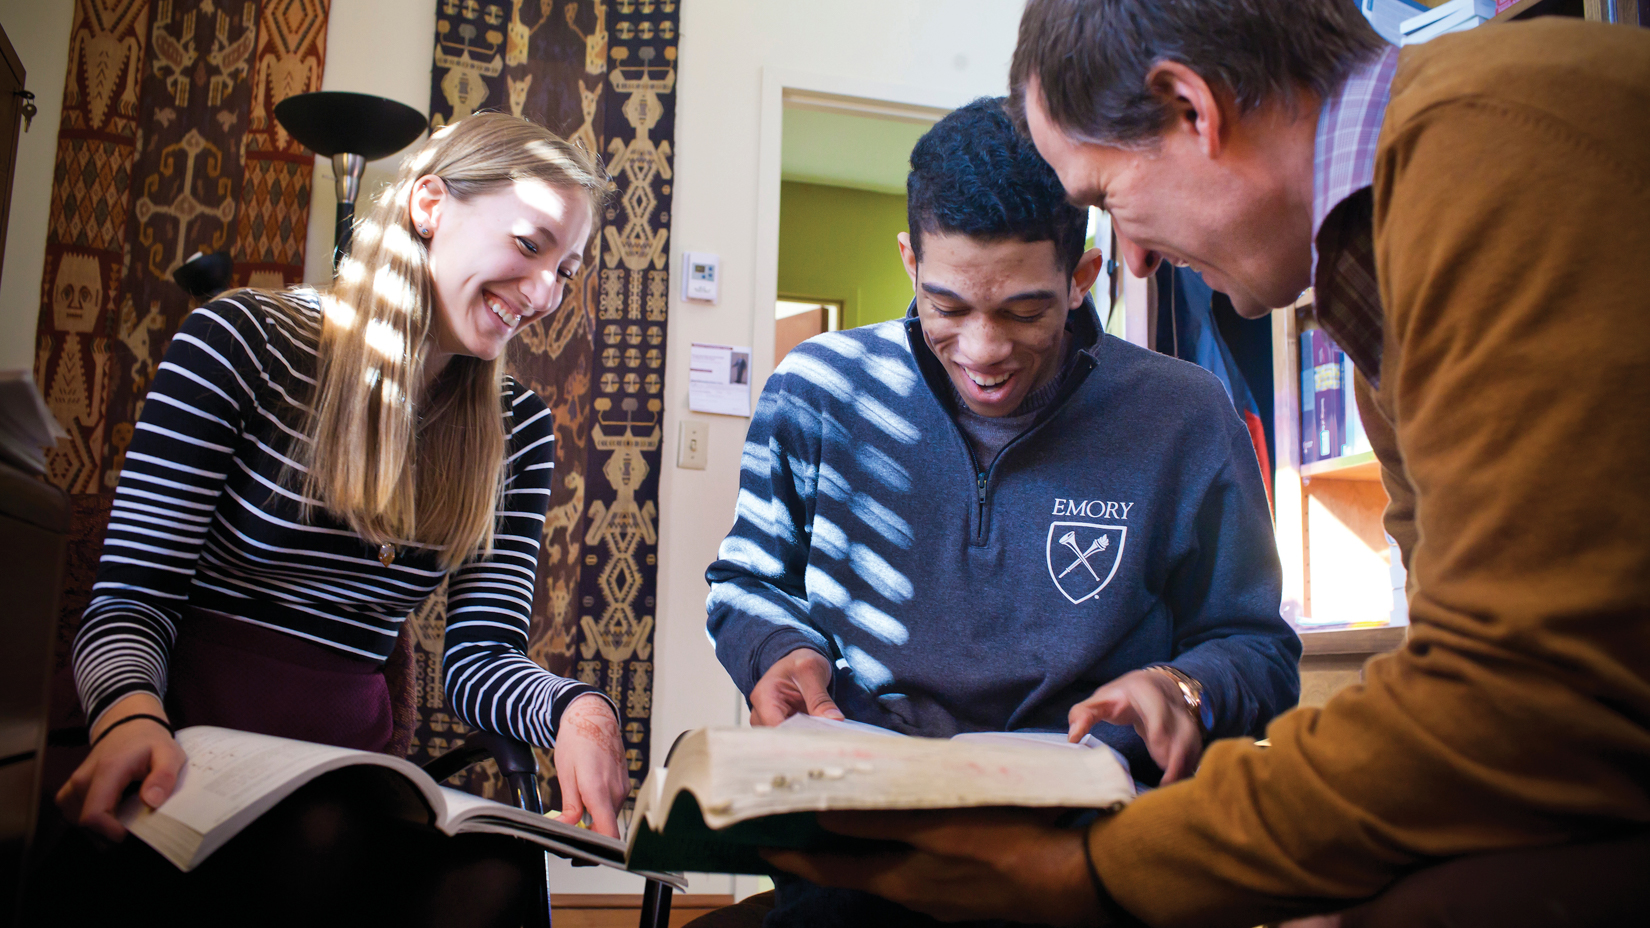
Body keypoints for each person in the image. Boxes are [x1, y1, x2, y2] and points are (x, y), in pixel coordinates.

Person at [765, 4, 1650, 926]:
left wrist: (1103, 870)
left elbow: (1519, 701)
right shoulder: (1381, 258)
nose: (1136, 263)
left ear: (1192, 109)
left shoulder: (1491, 160)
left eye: (1107, 200)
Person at [699, 97, 1299, 927]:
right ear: (911, 262)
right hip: (864, 850)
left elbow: (1259, 650)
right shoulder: (818, 390)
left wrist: (1184, 686)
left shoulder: (1185, 415)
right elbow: (746, 583)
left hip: (1089, 850)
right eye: (949, 307)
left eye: (1024, 310)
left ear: (1082, 275)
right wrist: (774, 649)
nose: (983, 352)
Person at [44, 113, 628, 927]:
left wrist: (575, 709)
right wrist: (131, 716)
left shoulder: (518, 431)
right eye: (530, 247)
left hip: (354, 775)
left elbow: (481, 656)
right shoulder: (242, 343)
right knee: (320, 846)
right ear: (429, 203)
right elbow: (130, 600)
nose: (545, 297)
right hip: (184, 749)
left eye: (566, 270)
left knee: (500, 869)